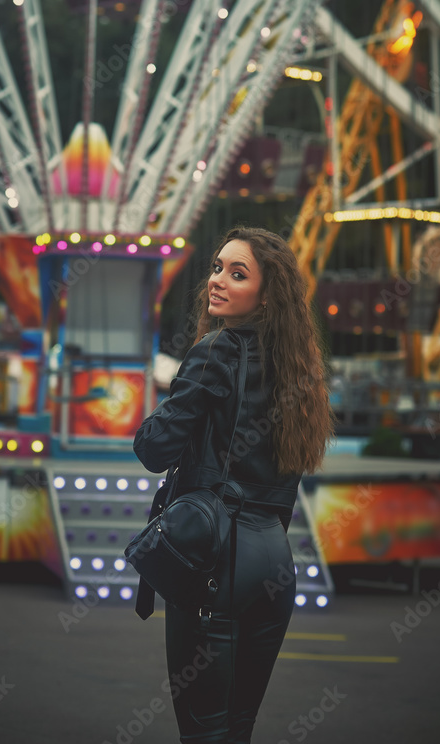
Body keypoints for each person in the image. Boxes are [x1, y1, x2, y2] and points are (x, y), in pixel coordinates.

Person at [133, 225, 334, 744]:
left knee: (203, 733)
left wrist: (176, 397)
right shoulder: (298, 368)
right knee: (238, 730)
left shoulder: (214, 351)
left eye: (237, 273)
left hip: (214, 555)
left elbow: (153, 449)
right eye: (218, 267)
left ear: (266, 294)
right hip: (273, 559)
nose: (217, 280)